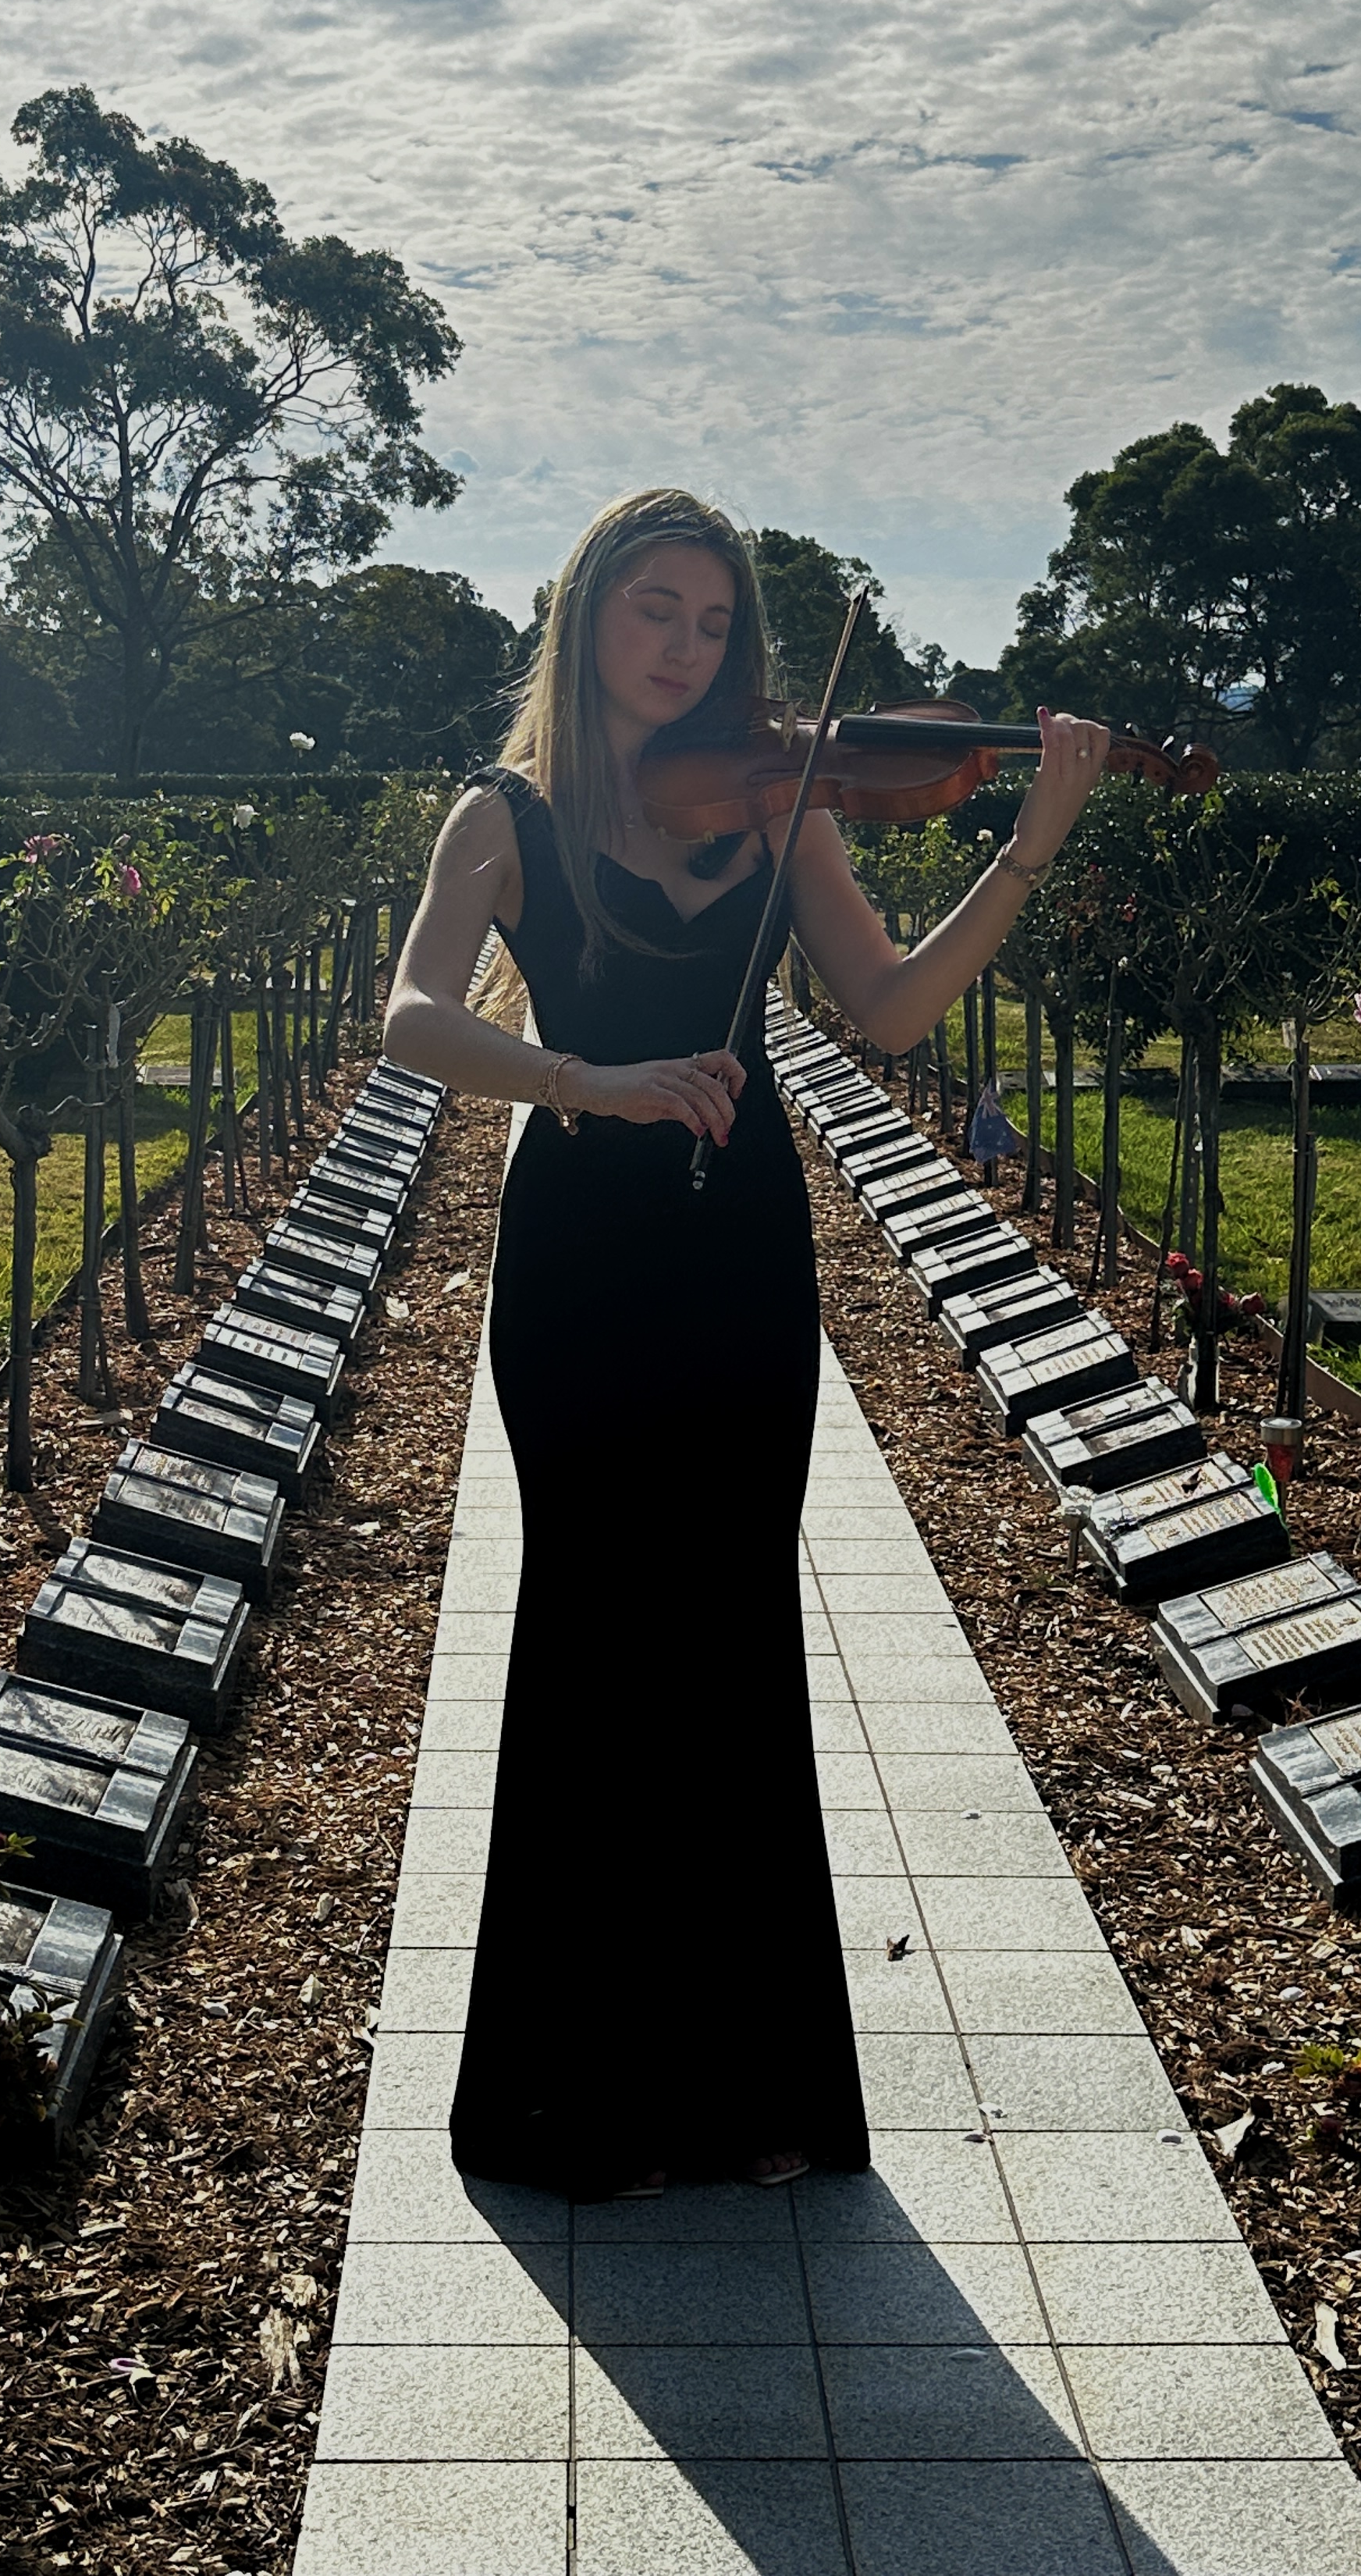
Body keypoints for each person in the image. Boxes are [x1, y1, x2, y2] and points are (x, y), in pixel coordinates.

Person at [384, 488, 1114, 2201]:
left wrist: (1035, 835)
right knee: (587, 1634)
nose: (687, 650)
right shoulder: (503, 817)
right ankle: (567, 2098)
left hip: (738, 1260)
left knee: (726, 1633)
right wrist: (591, 1083)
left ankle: (749, 2089)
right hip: (577, 1252)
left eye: (714, 625)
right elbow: (411, 1014)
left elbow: (896, 1006)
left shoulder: (785, 804)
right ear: (586, 618)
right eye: (656, 611)